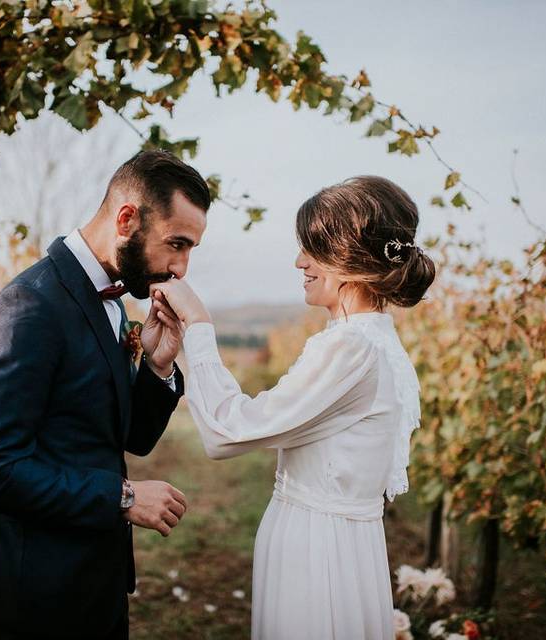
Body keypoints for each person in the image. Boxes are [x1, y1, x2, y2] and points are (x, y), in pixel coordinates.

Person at [150, 175, 436, 640]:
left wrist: (197, 324)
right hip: (345, 544)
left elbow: (229, 432)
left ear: (348, 256)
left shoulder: (349, 347)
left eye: (311, 249)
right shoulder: (377, 338)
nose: (299, 261)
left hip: (317, 550)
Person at [0, 150, 210, 639]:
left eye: (190, 250)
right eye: (176, 244)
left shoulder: (111, 301)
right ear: (126, 219)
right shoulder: (29, 306)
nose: (181, 268)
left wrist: (156, 368)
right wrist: (124, 496)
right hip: (40, 595)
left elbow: (127, 437)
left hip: (97, 580)